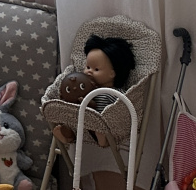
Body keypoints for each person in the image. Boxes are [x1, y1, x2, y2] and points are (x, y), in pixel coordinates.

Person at [52, 35, 136, 190]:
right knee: (71, 114)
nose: (89, 72)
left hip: (105, 121)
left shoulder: (114, 93)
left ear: (112, 73)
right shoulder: (86, 88)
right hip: (83, 121)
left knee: (102, 117)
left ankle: (102, 136)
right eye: (88, 67)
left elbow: (119, 107)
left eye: (96, 69)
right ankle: (68, 134)